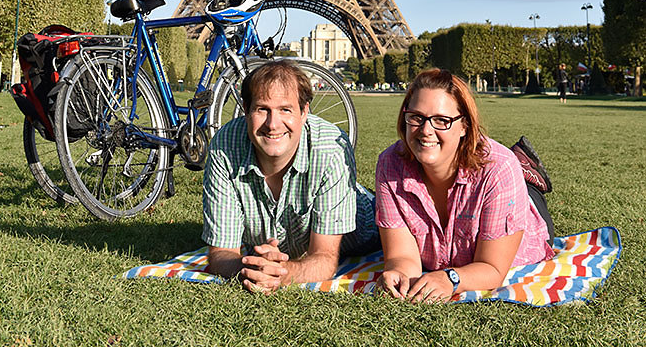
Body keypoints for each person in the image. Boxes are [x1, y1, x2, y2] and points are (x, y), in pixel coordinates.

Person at [375, 68, 555, 302]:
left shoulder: (499, 169)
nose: (426, 130)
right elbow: (402, 256)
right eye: (417, 117)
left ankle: (526, 172)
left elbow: (492, 268)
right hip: (489, 177)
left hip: (522, 210)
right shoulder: (390, 164)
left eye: (442, 120)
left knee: (512, 176)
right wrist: (399, 275)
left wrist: (451, 278)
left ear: (464, 126)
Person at [202, 60, 378, 293]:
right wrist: (252, 270)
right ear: (246, 110)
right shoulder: (224, 146)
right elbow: (220, 254)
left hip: (365, 227)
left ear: (304, 111)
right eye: (262, 109)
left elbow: (324, 258)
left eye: (285, 109)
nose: (273, 124)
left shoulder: (331, 148)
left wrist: (280, 275)